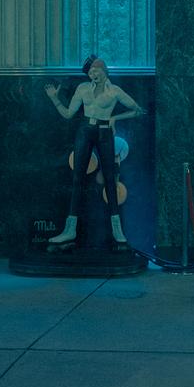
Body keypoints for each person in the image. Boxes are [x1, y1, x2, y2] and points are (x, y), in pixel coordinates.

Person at [45, 55, 146, 250]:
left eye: (96, 70)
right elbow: (68, 114)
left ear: (104, 71)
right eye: (91, 71)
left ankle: (117, 230)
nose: (93, 74)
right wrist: (54, 98)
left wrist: (115, 118)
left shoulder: (115, 91)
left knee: (110, 178)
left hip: (104, 132)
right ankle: (70, 229)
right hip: (85, 130)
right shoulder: (83, 88)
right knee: (77, 177)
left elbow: (137, 110)